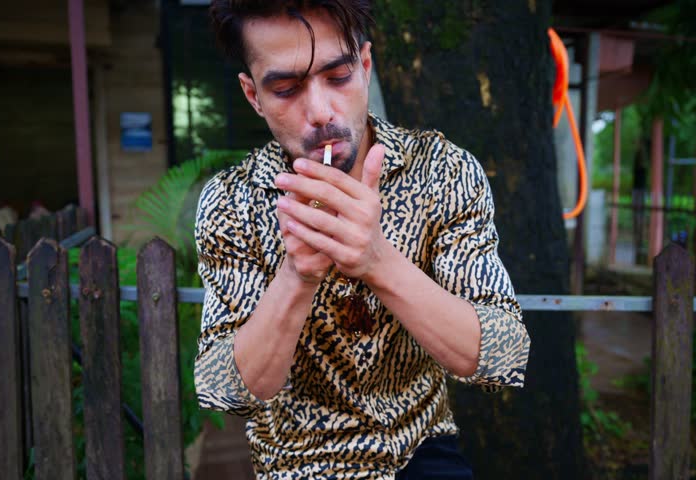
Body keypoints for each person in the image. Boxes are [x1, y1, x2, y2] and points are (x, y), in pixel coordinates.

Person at [194, 2, 530, 478]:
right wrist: (296, 277)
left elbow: (503, 357)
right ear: (254, 96)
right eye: (286, 89)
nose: (320, 112)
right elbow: (224, 392)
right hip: (298, 461)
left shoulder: (442, 171)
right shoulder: (233, 201)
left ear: (366, 65)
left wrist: (378, 262)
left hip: (420, 447)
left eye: (338, 77)